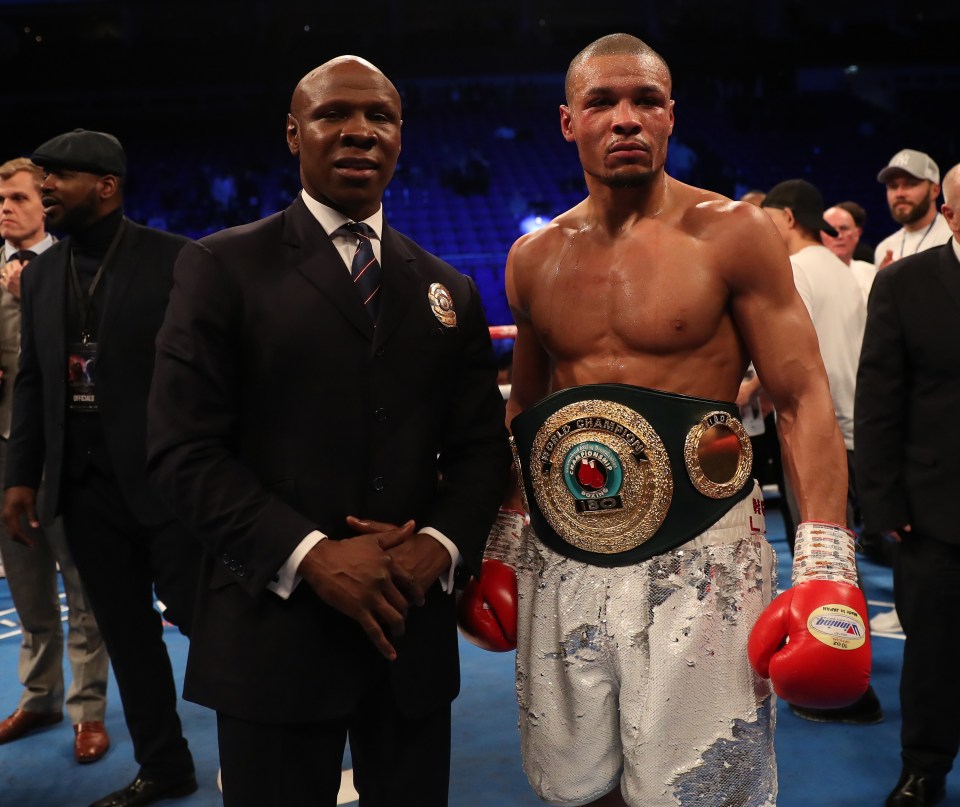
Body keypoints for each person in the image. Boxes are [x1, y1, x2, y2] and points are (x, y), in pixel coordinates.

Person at [494, 34, 871, 807]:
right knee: (575, 785)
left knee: (700, 793)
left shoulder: (734, 233)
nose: (625, 119)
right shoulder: (533, 258)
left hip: (701, 556)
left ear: (672, 118)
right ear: (569, 122)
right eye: (603, 102)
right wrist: (504, 539)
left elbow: (799, 397)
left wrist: (827, 566)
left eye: (646, 102)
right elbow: (526, 413)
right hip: (568, 559)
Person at [145, 56, 511, 807]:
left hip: (409, 632)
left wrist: (433, 547)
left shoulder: (449, 287)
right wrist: (310, 554)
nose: (359, 132)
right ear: (293, 133)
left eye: (379, 117)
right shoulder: (219, 265)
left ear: (401, 139)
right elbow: (183, 449)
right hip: (273, 628)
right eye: (332, 115)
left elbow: (480, 449)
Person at [2, 130, 202, 807]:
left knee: (215, 625)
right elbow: (32, 380)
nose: (46, 186)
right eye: (43, 176)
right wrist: (19, 475)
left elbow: (214, 374)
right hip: (84, 489)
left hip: (169, 482)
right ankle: (164, 765)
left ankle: (275, 744)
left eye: (60, 175)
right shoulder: (42, 275)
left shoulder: (176, 260)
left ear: (107, 185)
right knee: (125, 632)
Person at [855, 162, 960, 807]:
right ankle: (924, 767)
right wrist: (884, 504)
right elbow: (879, 402)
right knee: (933, 653)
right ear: (951, 211)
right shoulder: (903, 284)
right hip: (936, 508)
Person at [760, 179, 883, 724]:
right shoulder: (841, 268)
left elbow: (791, 362)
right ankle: (850, 679)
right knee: (842, 556)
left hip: (820, 431)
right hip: (859, 424)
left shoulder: (798, 270)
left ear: (786, 218)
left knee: (824, 557)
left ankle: (846, 687)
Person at [0, 157, 111, 763]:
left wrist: (39, 301)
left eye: (18, 197)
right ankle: (40, 695)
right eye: (0, 200)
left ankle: (87, 712)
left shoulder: (75, 269)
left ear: (45, 205)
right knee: (27, 587)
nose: (6, 209)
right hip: (4, 453)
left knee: (82, 586)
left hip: (68, 450)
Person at [874, 149, 952, 270]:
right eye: (893, 186)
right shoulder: (884, 248)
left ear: (935, 190)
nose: (899, 193)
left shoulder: (952, 237)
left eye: (911, 184)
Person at [822, 202, 878, 304]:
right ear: (820, 236)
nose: (838, 235)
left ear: (857, 234)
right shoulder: (806, 275)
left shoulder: (872, 273)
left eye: (843, 228)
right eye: (830, 230)